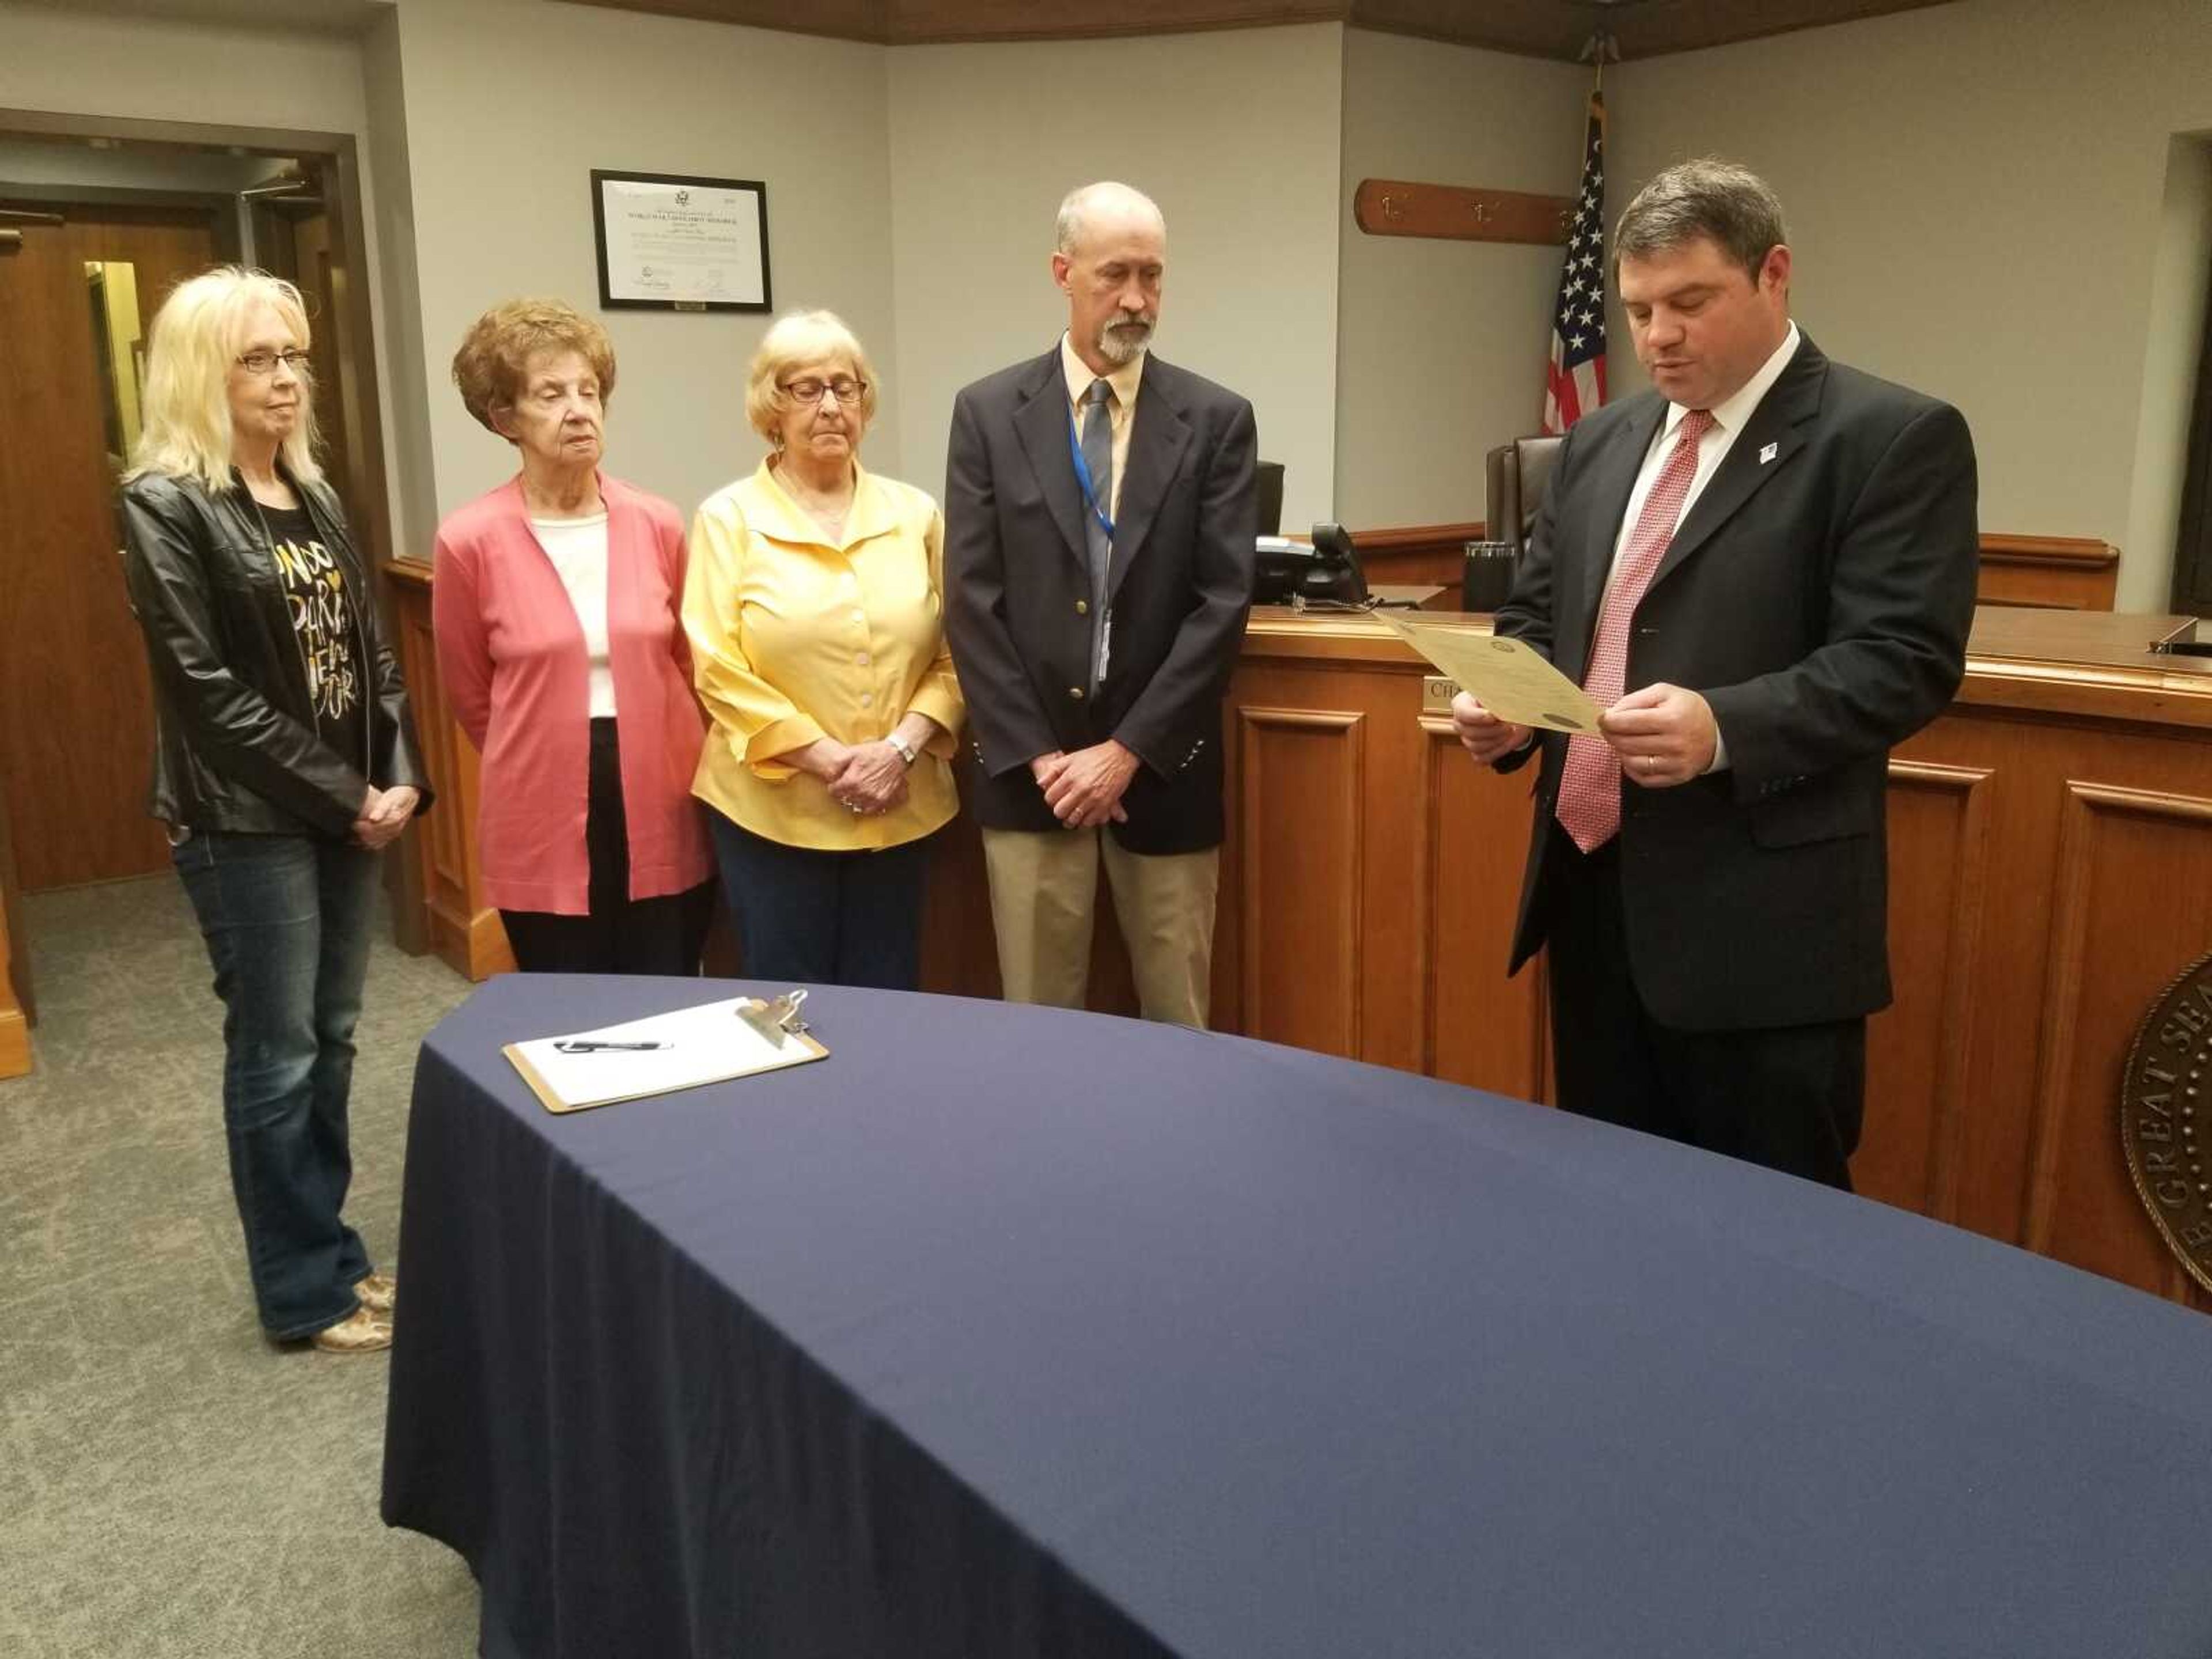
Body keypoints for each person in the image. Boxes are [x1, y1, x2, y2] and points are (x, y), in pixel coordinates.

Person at [1451, 159, 1979, 1190]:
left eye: (1690, 303)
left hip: (1760, 929)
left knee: (1773, 1238)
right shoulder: (1600, 442)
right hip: (1593, 891)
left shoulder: (1889, 439)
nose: (1658, 337)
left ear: (1774, 274)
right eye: (1640, 309)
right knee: (1612, 1208)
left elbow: (1904, 661)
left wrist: (1725, 727)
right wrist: (1506, 704)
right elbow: (1537, 616)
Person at [119, 267, 431, 1353]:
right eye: (260, 358)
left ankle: (337, 1258)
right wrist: (350, 796)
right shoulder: (164, 503)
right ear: (204, 370)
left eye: (295, 355)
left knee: (334, 1039)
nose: (288, 377)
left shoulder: (317, 493)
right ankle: (303, 1291)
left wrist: (399, 775)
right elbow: (204, 692)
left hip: (347, 809)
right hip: (244, 821)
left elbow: (375, 653)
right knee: (278, 1050)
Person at [943, 181, 1256, 1028]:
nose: (1136, 299)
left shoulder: (1216, 419)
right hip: (1030, 781)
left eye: (1152, 276)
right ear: (1062, 272)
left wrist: (1124, 753)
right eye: (1115, 274)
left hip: (1163, 777)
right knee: (1041, 1030)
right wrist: (1048, 760)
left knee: (1178, 1026)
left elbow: (1221, 603)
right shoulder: (987, 414)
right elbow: (971, 601)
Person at [433, 300, 713, 974]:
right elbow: (472, 696)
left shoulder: (657, 522)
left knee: (669, 987)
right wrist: (544, 747)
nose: (579, 410)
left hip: (662, 788)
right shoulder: (469, 540)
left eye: (589, 392)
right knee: (569, 1005)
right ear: (505, 419)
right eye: (551, 394)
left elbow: (685, 662)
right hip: (541, 799)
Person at [683, 310, 963, 988]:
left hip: (900, 804)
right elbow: (717, 667)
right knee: (787, 1006)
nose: (832, 405)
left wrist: (897, 752)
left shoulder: (916, 514)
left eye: (848, 386)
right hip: (772, 814)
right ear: (770, 409)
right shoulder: (729, 518)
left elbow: (957, 657)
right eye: (805, 388)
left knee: (889, 999)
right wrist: (832, 761)